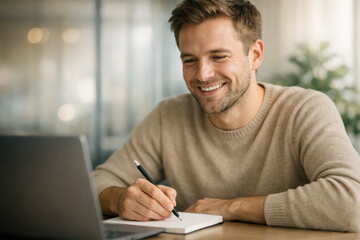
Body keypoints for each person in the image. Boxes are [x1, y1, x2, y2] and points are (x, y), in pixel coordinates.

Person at [93, 0, 360, 232]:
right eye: (189, 60)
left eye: (218, 56)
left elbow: (353, 201)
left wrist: (230, 207)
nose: (202, 74)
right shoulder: (169, 115)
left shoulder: (305, 109)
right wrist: (119, 200)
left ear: (254, 55)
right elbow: (94, 183)